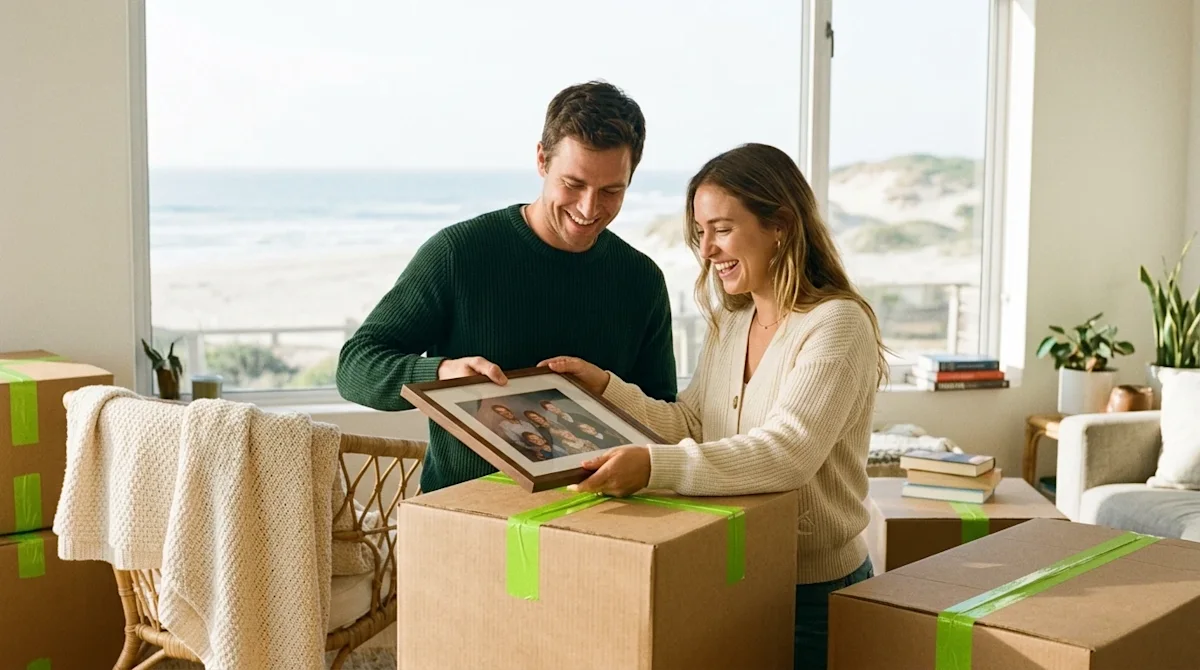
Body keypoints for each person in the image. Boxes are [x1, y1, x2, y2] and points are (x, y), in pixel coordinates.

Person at [540, 143, 888, 670]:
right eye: (701, 232)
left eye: (722, 229)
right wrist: (606, 387)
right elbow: (693, 424)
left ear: (780, 225)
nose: (706, 250)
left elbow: (787, 454)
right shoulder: (733, 320)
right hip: (736, 570)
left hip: (815, 591)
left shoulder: (836, 325)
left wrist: (652, 469)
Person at [336, 81, 678, 493]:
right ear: (541, 160)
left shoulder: (640, 280)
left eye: (611, 191)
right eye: (573, 184)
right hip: (463, 519)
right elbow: (355, 366)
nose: (588, 209)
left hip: (593, 521)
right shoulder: (458, 254)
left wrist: (609, 392)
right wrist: (443, 373)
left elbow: (662, 416)